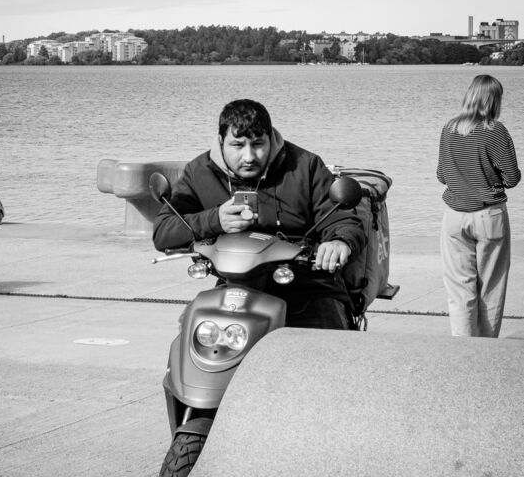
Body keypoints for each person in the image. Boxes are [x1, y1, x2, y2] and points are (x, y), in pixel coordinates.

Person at [152, 99, 366, 329]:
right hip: (236, 284)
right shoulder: (199, 171)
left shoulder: (305, 166)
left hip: (309, 286)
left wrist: (339, 241)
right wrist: (215, 220)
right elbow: (164, 232)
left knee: (328, 339)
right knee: (193, 331)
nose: (249, 157)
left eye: (258, 144)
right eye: (237, 145)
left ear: (270, 139)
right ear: (221, 141)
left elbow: (344, 220)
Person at [437, 74, 521, 337]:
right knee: (491, 288)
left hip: (454, 216)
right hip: (489, 215)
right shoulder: (495, 131)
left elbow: (441, 175)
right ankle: (485, 348)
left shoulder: (449, 128)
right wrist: (489, 176)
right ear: (493, 100)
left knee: (459, 289)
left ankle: (464, 347)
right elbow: (512, 178)